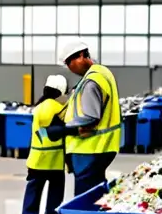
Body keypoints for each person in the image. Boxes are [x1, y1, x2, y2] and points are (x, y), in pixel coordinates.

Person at [46, 40, 120, 196]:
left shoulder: (91, 81)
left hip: (90, 149)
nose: (69, 68)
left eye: (69, 62)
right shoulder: (102, 73)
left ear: (81, 56)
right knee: (96, 196)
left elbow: (90, 117)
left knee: (84, 201)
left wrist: (63, 130)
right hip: (103, 147)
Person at [21, 75, 68, 214]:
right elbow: (66, 129)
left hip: (36, 159)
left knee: (32, 194)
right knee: (54, 197)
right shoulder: (58, 108)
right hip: (54, 161)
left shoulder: (38, 107)